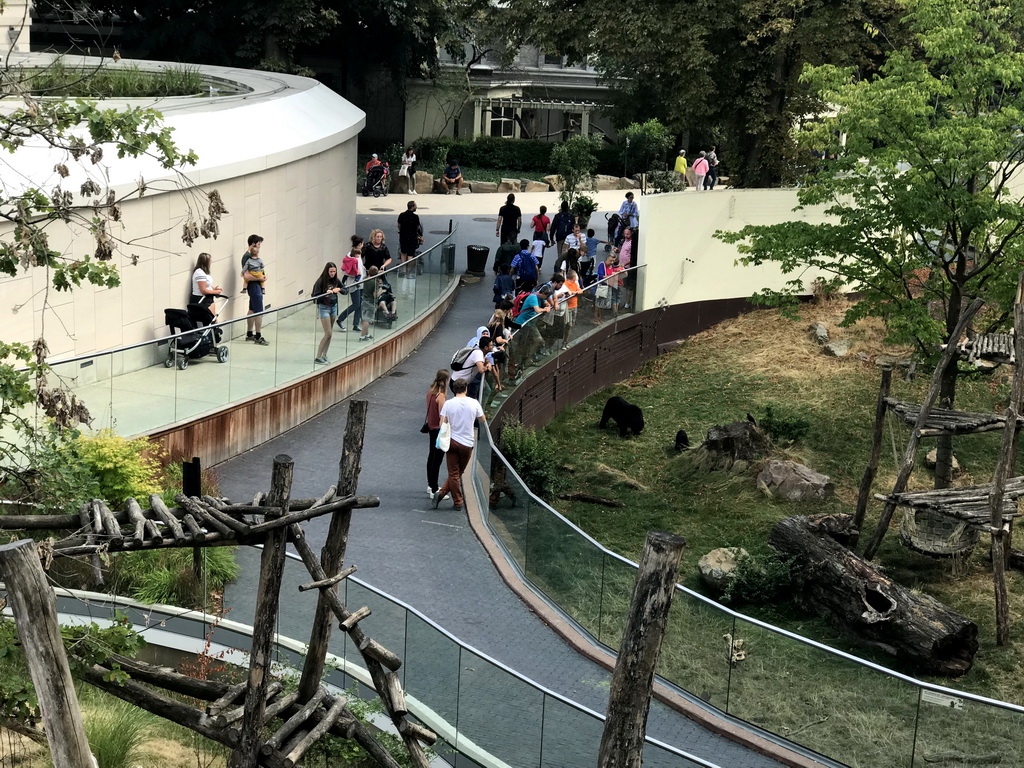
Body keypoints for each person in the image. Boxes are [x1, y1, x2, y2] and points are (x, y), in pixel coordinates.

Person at [431, 377, 485, 512]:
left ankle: (444, 494)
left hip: (452, 441)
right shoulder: (474, 403)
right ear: (466, 389)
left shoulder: (449, 404)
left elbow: (441, 423)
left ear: (454, 390)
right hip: (467, 443)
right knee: (459, 472)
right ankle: (457, 501)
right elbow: (482, 419)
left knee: (454, 473)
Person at [337, 235, 372, 341]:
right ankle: (341, 319)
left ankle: (355, 324)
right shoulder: (351, 256)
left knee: (359, 304)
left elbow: (358, 267)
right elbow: (347, 270)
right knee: (356, 303)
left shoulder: (358, 254)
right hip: (354, 283)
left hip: (360, 282)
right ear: (360, 244)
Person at [312, 261, 343, 364]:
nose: (332, 274)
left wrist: (339, 289)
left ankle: (324, 354)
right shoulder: (321, 281)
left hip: (333, 307)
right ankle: (318, 356)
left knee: (330, 334)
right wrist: (325, 293)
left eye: (334, 271)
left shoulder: (336, 280)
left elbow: (345, 289)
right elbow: (314, 296)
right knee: (328, 333)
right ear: (327, 271)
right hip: (324, 307)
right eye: (330, 271)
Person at [513, 284, 552, 366]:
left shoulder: (539, 297)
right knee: (522, 343)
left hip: (530, 324)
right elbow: (537, 310)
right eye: (546, 297)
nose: (546, 299)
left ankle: (527, 359)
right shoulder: (533, 297)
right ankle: (517, 362)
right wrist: (545, 309)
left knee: (537, 340)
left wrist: (547, 306)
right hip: (523, 323)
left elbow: (546, 303)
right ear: (544, 294)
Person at [240, 234, 268, 345]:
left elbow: (260, 269)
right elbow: (246, 276)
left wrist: (263, 276)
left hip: (256, 284)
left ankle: (249, 334)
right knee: (259, 311)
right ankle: (258, 336)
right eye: (258, 244)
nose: (259, 247)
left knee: (252, 309)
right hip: (254, 286)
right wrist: (260, 278)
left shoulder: (254, 257)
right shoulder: (247, 257)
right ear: (253, 244)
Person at [424, 369, 449, 497]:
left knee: (431, 457)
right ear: (446, 380)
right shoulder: (441, 396)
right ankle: (434, 489)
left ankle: (430, 485)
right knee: (437, 460)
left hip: (430, 428)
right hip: (438, 430)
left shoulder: (430, 393)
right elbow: (442, 417)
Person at [451, 336, 492, 400]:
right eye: (491, 345)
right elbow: (481, 370)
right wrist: (487, 367)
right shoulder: (478, 353)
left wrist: (488, 363)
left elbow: (486, 359)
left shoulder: (479, 352)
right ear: (486, 347)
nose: (493, 347)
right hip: (458, 382)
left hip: (460, 381)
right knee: (462, 403)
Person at [594, 254, 623, 323]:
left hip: (609, 286)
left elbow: (614, 270)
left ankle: (600, 318)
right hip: (602, 286)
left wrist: (617, 272)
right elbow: (601, 276)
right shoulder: (602, 265)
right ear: (607, 259)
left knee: (604, 303)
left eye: (613, 261)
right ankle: (596, 318)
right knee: (599, 303)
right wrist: (610, 276)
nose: (612, 263)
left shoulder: (612, 266)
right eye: (610, 261)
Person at [396, 202, 421, 277]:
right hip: (412, 237)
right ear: (413, 207)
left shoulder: (401, 215)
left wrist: (402, 231)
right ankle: (408, 272)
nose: (416, 207)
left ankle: (403, 270)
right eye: (415, 205)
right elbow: (417, 227)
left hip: (403, 236)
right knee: (410, 254)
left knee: (403, 252)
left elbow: (399, 225)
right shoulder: (415, 217)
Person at [561, 268, 582, 350]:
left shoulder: (575, 284)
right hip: (568, 307)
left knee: (571, 325)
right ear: (573, 277)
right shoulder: (565, 284)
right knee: (568, 325)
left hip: (574, 306)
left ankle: (565, 341)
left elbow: (580, 291)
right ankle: (564, 341)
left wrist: (575, 292)